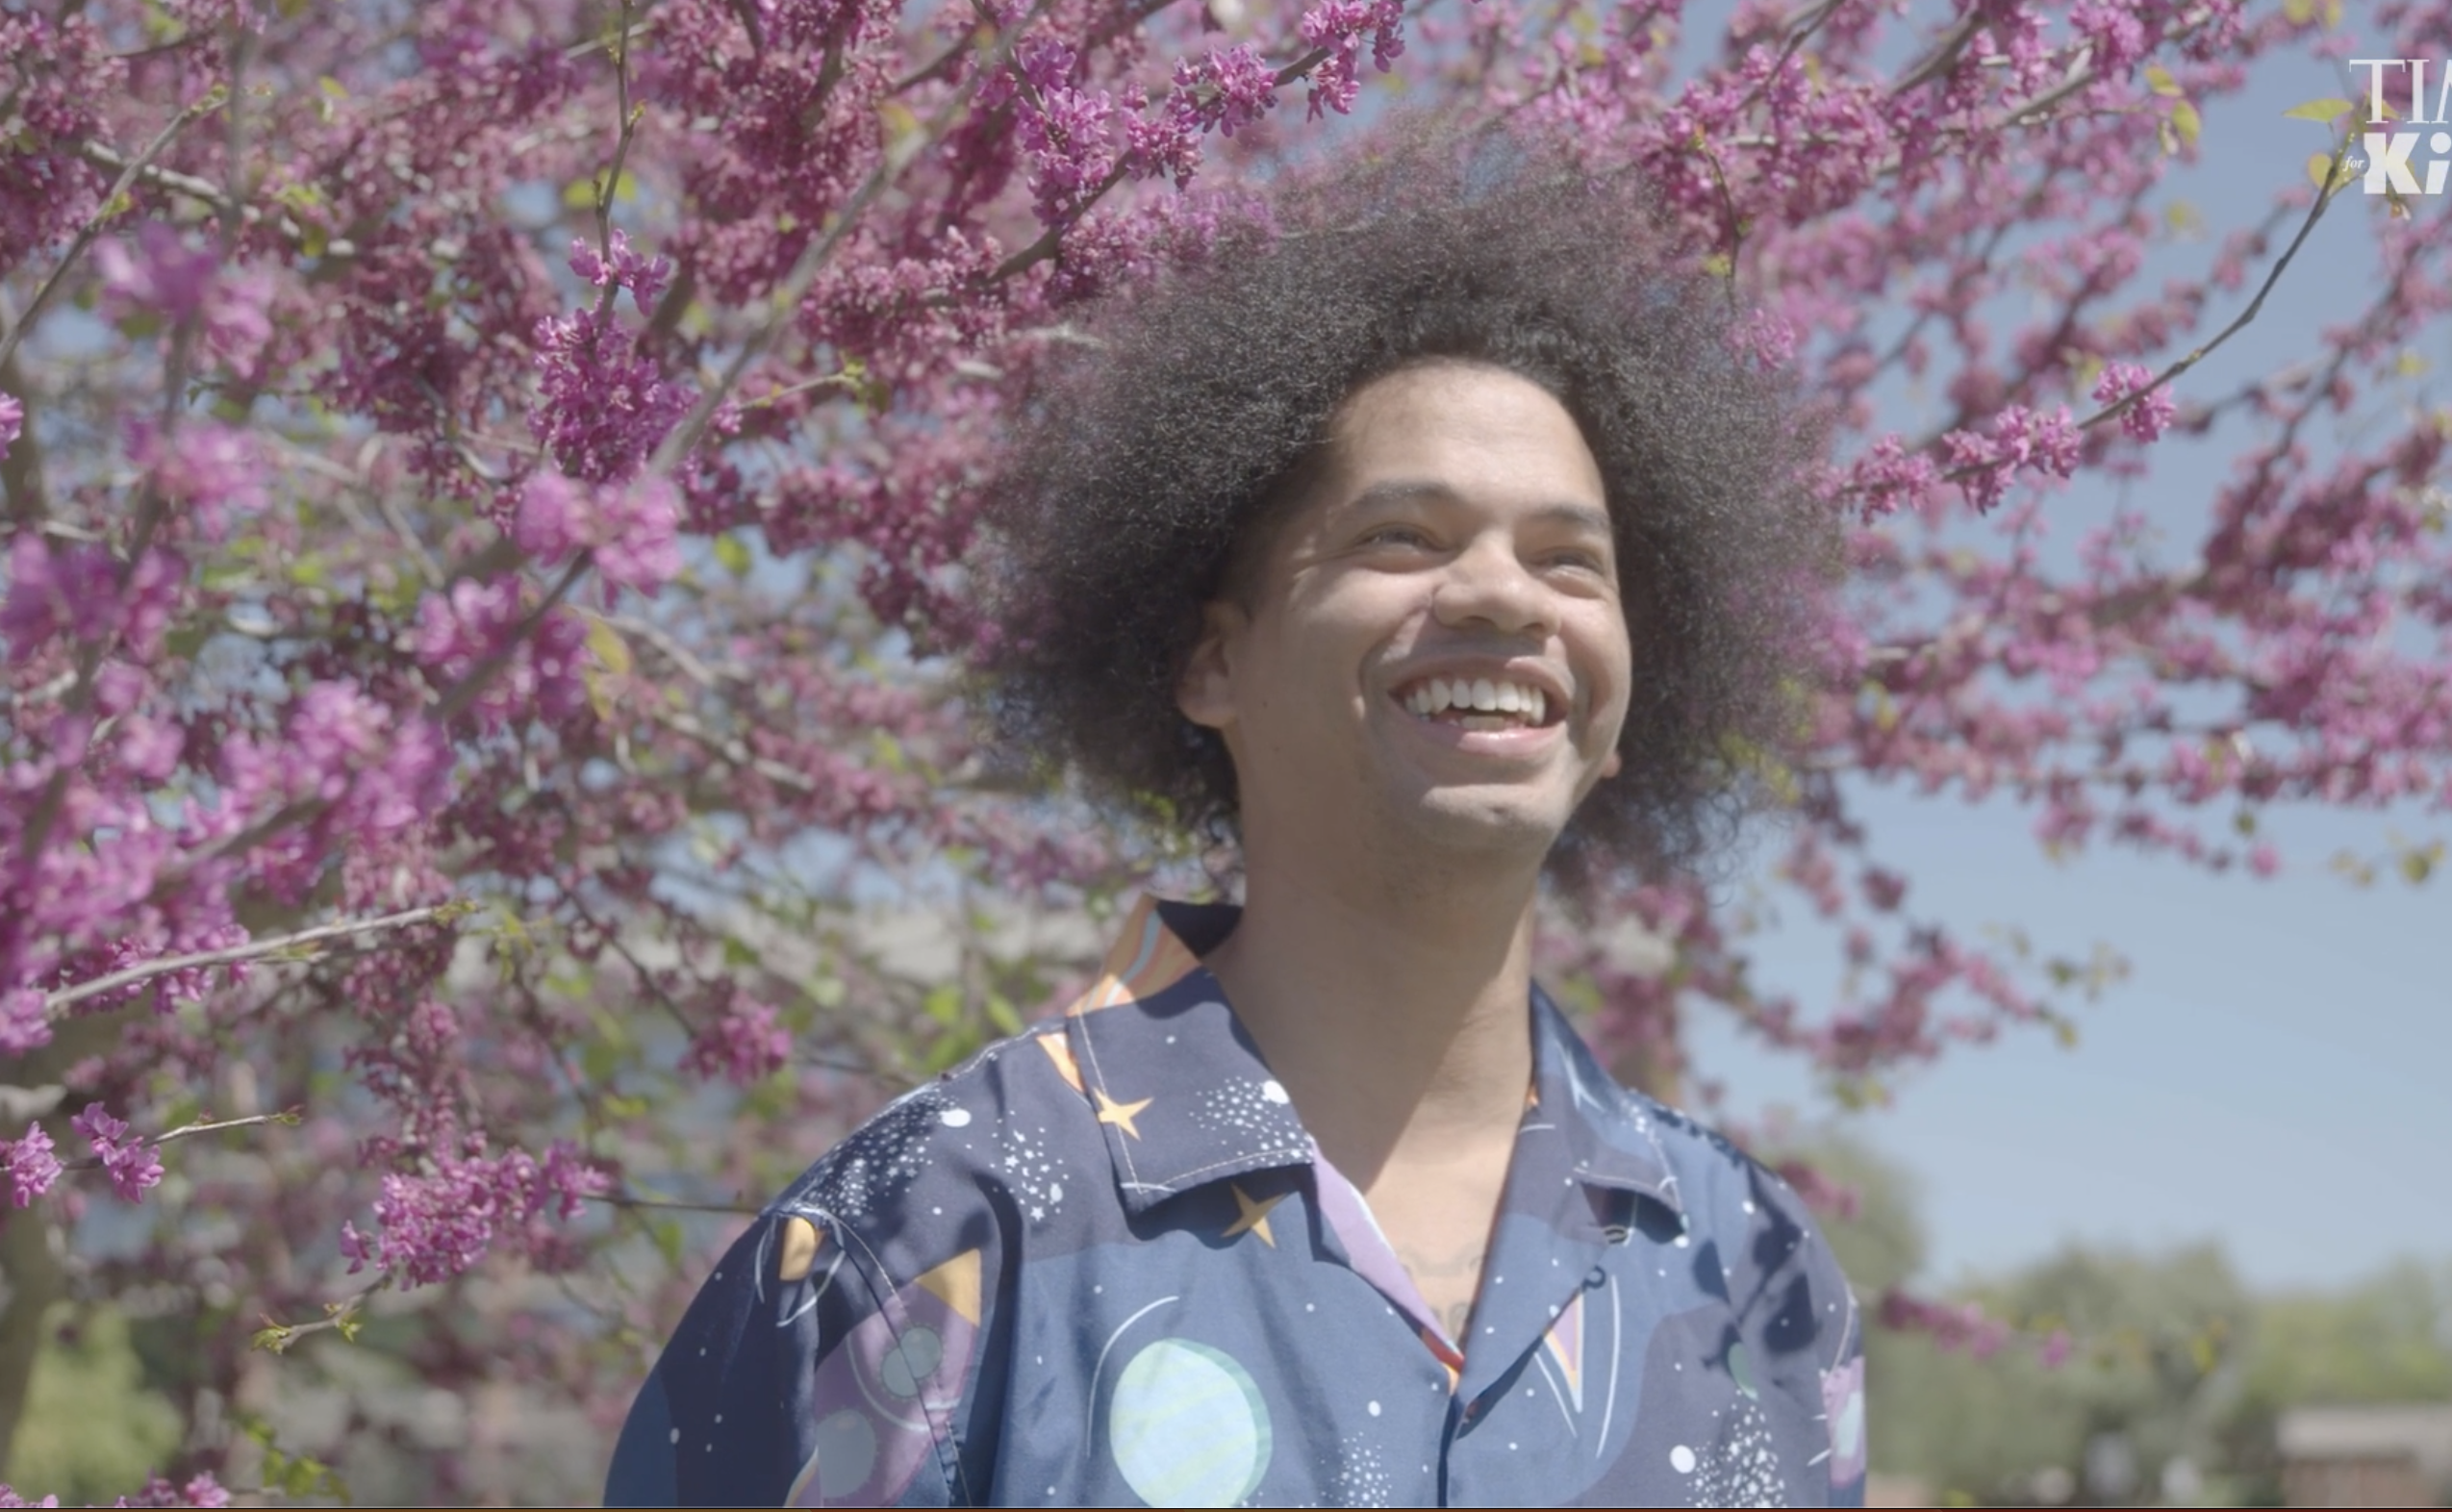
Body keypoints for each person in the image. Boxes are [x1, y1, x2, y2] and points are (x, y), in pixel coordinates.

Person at [604, 128, 1862, 1507]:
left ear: (1623, 708)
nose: (1506, 597)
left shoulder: (1753, 1273)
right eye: (1401, 537)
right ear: (1211, 661)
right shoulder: (930, 1233)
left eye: (1572, 561)